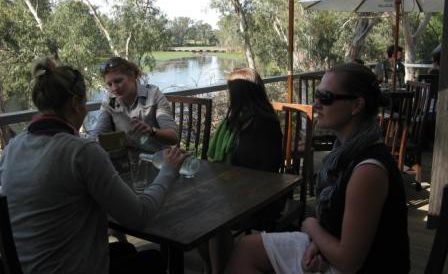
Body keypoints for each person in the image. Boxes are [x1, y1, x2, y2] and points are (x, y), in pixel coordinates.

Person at [0, 58, 189, 274]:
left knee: (125, 249)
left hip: (24, 267)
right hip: (71, 267)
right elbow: (139, 216)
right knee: (153, 259)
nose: (114, 88)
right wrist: (169, 171)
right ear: (75, 104)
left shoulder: (11, 148)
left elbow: (171, 135)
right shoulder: (81, 152)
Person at [226, 63, 410, 274]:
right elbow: (338, 224)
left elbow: (349, 262)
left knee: (245, 253)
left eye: (326, 97)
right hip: (339, 251)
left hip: (366, 266)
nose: (315, 104)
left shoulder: (368, 172)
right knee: (245, 248)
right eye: (317, 95)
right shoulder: (345, 151)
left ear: (356, 105)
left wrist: (311, 226)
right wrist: (317, 244)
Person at [203, 68, 283, 274]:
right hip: (234, 190)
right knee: (199, 214)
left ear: (239, 93)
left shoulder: (263, 124)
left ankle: (219, 268)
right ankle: (218, 266)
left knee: (209, 217)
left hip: (260, 198)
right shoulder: (236, 120)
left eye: (231, 90)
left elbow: (267, 172)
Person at [93, 56, 178, 153]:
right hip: (127, 160)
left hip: (157, 159)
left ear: (133, 75)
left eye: (118, 81)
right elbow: (99, 130)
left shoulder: (153, 95)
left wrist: (151, 131)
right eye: (109, 84)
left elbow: (173, 137)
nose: (114, 88)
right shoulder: (111, 100)